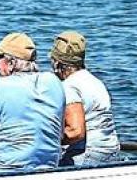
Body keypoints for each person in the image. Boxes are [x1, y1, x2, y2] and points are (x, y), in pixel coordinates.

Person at [0, 32, 66, 174]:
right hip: (49, 167)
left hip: (5, 168)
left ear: (11, 63)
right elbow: (60, 133)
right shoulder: (54, 82)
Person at [50, 30, 121, 166]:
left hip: (87, 155)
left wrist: (47, 139)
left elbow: (76, 132)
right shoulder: (95, 82)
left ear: (57, 65)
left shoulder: (69, 86)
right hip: (111, 150)